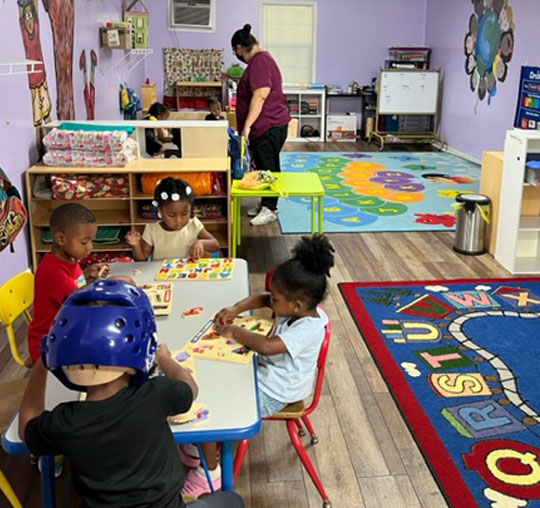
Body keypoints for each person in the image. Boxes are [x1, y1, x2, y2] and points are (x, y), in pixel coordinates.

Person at [19, 279, 245, 508]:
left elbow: (26, 428)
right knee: (232, 500)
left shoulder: (65, 421)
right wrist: (165, 359)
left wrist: (40, 365)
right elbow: (190, 388)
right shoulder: (155, 394)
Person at [180, 234, 334, 498]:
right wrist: (235, 307)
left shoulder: (309, 327)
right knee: (210, 380)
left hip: (277, 391)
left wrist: (235, 331)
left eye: (276, 299)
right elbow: (263, 298)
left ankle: (211, 473)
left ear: (295, 305)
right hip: (264, 372)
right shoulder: (300, 308)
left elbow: (266, 346)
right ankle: (201, 449)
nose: (270, 301)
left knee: (208, 409)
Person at [27, 203, 109, 365]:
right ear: (60, 238)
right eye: (84, 242)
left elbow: (72, 284)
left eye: (91, 241)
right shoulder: (52, 271)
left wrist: (87, 273)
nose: (90, 248)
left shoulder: (69, 259)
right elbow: (82, 301)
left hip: (66, 329)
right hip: (49, 343)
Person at [231, 23, 291, 226]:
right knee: (263, 165)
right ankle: (266, 203)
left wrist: (247, 126)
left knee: (269, 167)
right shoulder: (261, 61)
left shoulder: (260, 62)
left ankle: (271, 209)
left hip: (268, 126)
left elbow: (261, 95)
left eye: (235, 52)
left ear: (240, 48)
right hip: (267, 125)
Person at [126, 177, 220, 261]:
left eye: (184, 213)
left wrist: (201, 243)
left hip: (187, 274)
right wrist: (136, 246)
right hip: (161, 278)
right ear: (160, 210)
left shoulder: (194, 224)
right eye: (171, 215)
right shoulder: (152, 230)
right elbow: (142, 259)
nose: (179, 220)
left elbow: (215, 245)